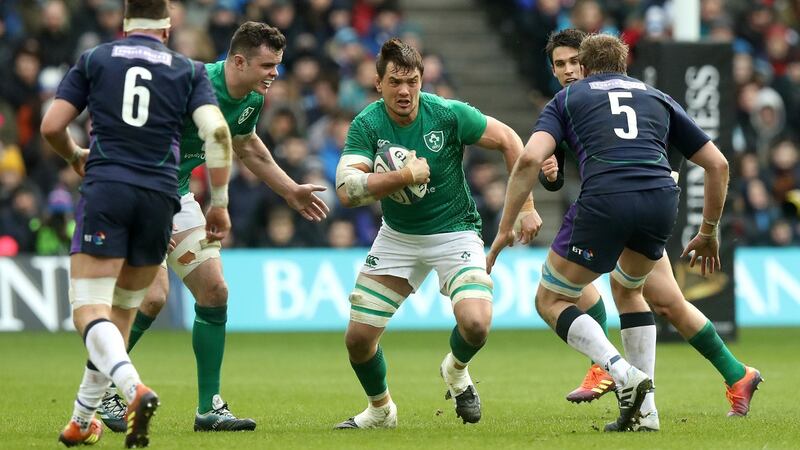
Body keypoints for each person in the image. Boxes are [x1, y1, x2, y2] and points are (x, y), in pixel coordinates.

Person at [487, 33, 737, 432]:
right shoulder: (658, 97)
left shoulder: (569, 98)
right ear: (624, 65)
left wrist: (504, 226)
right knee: (630, 290)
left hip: (607, 199)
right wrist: (708, 230)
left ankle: (620, 373)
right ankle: (646, 413)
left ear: (584, 67)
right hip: (660, 201)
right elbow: (718, 165)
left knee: (551, 298)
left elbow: (531, 156)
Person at [96, 21, 330, 433]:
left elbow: (247, 145)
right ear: (238, 61)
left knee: (214, 290)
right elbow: (135, 140)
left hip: (178, 194)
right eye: (267, 65)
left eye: (278, 64)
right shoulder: (185, 85)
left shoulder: (252, 98)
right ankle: (98, 390)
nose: (275, 73)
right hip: (136, 187)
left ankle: (209, 409)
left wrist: (290, 190)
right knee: (153, 297)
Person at [40, 0, 233, 447]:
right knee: (124, 311)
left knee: (89, 309)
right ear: (166, 28)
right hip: (161, 198)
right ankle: (81, 419)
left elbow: (52, 125)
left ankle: (132, 388)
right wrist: (218, 203)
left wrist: (73, 157)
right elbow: (219, 134)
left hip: (108, 188)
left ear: (125, 25)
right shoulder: (188, 70)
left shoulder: (96, 59)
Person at [332, 38, 535, 429]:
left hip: (455, 232)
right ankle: (380, 411)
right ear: (378, 84)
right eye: (395, 82)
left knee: (476, 324)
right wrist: (405, 176)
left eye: (412, 81)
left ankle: (456, 371)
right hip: (397, 238)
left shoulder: (446, 114)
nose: (404, 91)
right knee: (358, 339)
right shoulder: (367, 124)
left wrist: (525, 208)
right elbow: (346, 190)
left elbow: (510, 140)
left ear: (423, 80)